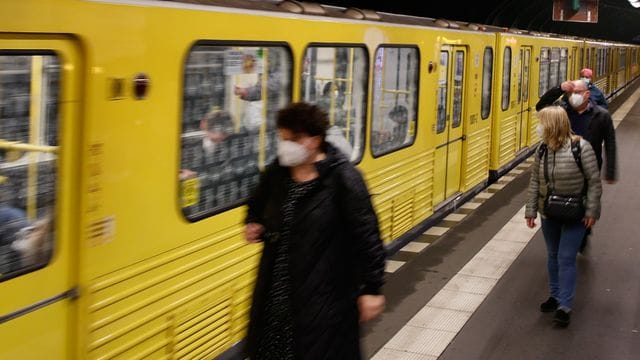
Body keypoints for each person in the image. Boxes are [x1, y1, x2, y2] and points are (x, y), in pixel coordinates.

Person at [244, 102, 386, 359]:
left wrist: (372, 288)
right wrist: (253, 221)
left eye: (294, 138)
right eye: (283, 138)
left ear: (315, 139)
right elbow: (256, 203)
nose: (286, 145)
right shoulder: (278, 172)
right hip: (277, 291)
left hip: (325, 297)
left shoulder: (343, 179)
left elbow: (368, 237)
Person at [525, 106, 602, 328]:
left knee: (566, 258)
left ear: (552, 124)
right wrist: (531, 210)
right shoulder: (542, 150)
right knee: (552, 255)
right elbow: (535, 182)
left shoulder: (581, 148)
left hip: (575, 213)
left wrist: (591, 211)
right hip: (549, 212)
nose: (538, 127)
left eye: (541, 122)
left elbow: (594, 182)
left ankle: (564, 307)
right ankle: (555, 295)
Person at [536, 79, 617, 252]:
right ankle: (567, 234)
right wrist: (559, 88)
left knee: (587, 203)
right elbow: (541, 106)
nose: (574, 96)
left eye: (578, 92)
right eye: (571, 92)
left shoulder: (601, 115)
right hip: (563, 167)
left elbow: (610, 143)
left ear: (587, 94)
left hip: (589, 168)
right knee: (563, 202)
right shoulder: (563, 110)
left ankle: (582, 234)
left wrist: (610, 171)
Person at [180, 109, 257, 217]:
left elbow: (250, 182)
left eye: (225, 131)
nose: (221, 137)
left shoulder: (238, 148)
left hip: (229, 210)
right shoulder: (188, 152)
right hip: (199, 214)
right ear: (204, 125)